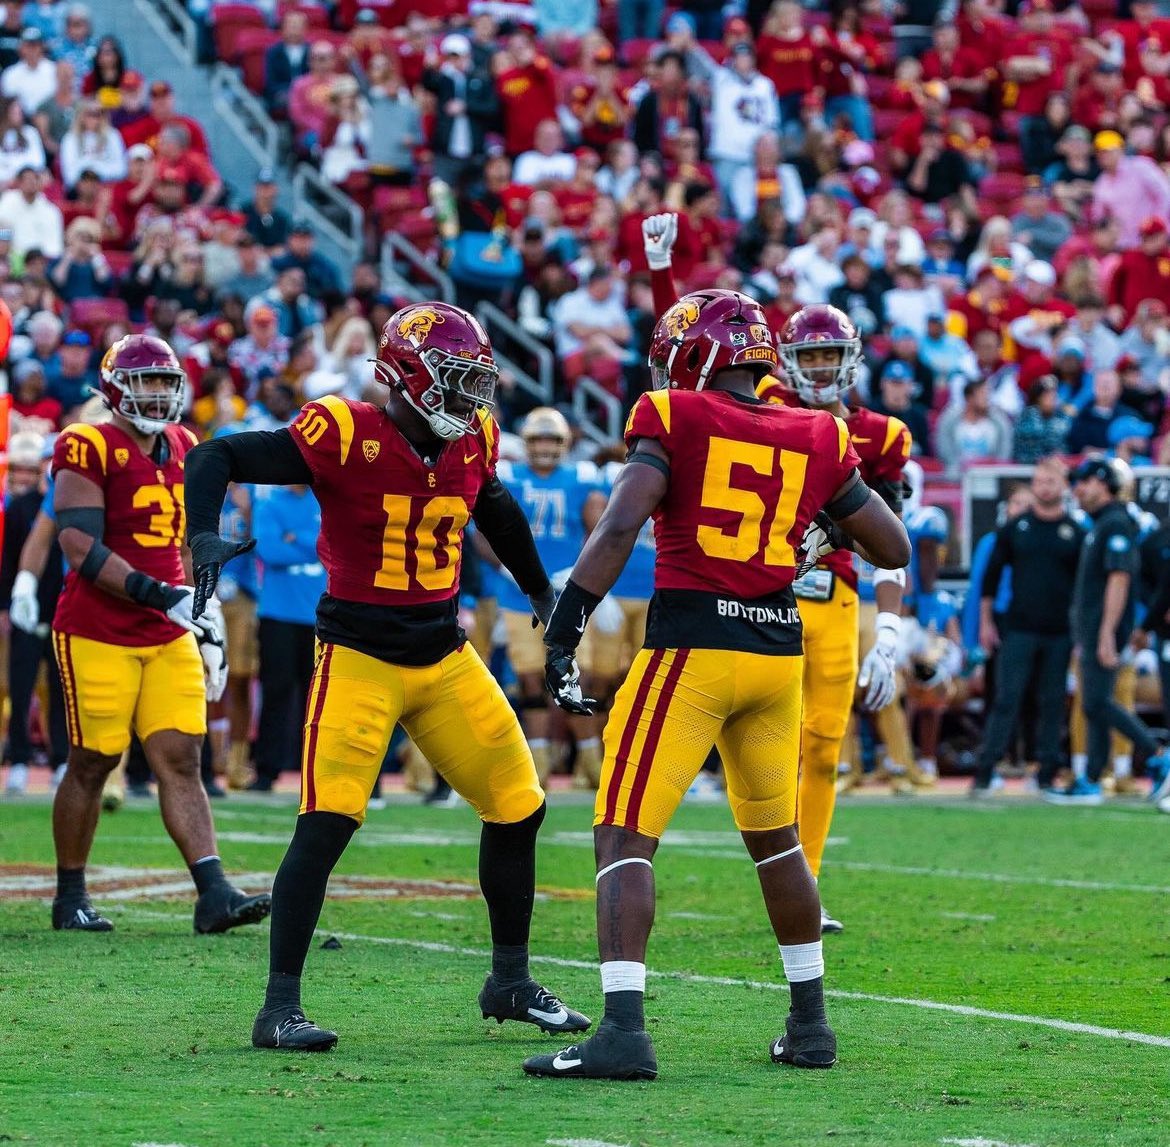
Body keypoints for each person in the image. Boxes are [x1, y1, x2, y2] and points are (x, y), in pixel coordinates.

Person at [522, 286, 909, 1081]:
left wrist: (565, 629)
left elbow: (620, 523)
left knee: (623, 831)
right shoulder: (820, 431)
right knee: (778, 842)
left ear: (696, 356)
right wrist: (820, 527)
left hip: (693, 648)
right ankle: (810, 1023)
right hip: (776, 654)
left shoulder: (674, 416)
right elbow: (894, 544)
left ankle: (623, 1029)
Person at [183, 301, 589, 1052]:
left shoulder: (476, 439)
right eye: (458, 381)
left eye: (477, 383)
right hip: (359, 656)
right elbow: (215, 456)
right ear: (407, 378)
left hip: (441, 654)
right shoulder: (343, 431)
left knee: (518, 803)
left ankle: (508, 979)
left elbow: (493, 506)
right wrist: (201, 531)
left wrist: (539, 590)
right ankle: (278, 1007)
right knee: (327, 821)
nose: (472, 400)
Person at [47, 334, 270, 933]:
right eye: (144, 381)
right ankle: (70, 895)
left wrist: (208, 608)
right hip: (97, 627)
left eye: (164, 382)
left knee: (181, 757)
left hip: (168, 627)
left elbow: (190, 538)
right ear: (116, 387)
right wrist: (159, 595)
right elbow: (77, 544)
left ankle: (213, 892)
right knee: (94, 760)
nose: (155, 392)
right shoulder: (85, 442)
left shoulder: (184, 444)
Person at [491, 407, 606, 787]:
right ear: (526, 442)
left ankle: (590, 763)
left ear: (564, 443)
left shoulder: (580, 478)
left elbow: (600, 527)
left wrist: (582, 570)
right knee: (527, 680)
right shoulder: (510, 476)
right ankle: (536, 763)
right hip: (517, 595)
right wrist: (502, 565)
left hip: (567, 595)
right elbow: (482, 528)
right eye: (537, 439)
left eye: (551, 440)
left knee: (577, 677)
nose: (543, 447)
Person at [1052, 457, 1170, 804]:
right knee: (1093, 704)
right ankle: (1091, 778)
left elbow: (1119, 580)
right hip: (1094, 627)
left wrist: (1105, 632)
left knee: (1100, 702)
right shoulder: (1103, 524)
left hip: (1104, 628)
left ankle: (1157, 755)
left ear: (1104, 484)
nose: (1078, 490)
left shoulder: (1115, 524)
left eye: (1085, 482)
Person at [973, 458, 1083, 793]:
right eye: (1039, 480)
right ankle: (985, 770)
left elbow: (1084, 589)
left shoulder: (1076, 533)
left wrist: (1080, 634)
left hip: (1060, 632)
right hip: (1018, 627)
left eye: (1051, 480)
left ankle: (1047, 772)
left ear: (1064, 485)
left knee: (1052, 702)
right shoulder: (1015, 529)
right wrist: (986, 623)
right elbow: (988, 582)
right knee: (1007, 698)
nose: (1044, 486)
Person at [248, 484, 325, 793]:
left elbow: (337, 544)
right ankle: (267, 771)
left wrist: (295, 537)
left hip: (320, 615)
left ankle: (318, 771)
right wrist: (312, 542)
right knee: (276, 691)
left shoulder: (325, 500)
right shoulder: (268, 503)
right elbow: (268, 549)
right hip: (278, 613)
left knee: (321, 698)